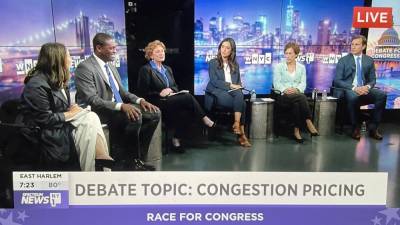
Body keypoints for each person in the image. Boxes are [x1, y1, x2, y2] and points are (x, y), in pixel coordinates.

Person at [20, 43, 113, 171]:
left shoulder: (58, 79)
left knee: (90, 116)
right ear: (58, 58)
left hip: (59, 125)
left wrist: (71, 110)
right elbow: (44, 119)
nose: (71, 59)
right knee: (88, 121)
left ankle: (98, 162)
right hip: (45, 132)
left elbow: (60, 108)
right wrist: (69, 114)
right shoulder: (36, 85)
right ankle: (96, 164)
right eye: (68, 55)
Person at [75, 33, 160, 171]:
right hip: (99, 111)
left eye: (116, 48)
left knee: (154, 114)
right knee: (133, 117)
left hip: (116, 108)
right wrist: (121, 106)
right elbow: (92, 99)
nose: (115, 51)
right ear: (99, 48)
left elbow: (122, 92)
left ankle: (138, 158)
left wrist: (140, 100)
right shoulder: (85, 67)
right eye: (112, 48)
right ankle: (129, 163)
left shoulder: (110, 66)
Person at [137, 40, 215, 153]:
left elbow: (175, 87)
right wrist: (159, 93)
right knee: (187, 97)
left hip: (171, 100)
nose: (161, 53)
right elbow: (142, 93)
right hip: (157, 102)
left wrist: (171, 90)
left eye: (162, 51)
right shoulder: (146, 70)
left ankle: (176, 140)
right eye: (157, 51)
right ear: (150, 55)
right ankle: (206, 120)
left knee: (186, 111)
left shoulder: (167, 69)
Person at [333, 35, 387, 140]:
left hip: (364, 89)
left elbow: (373, 80)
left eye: (356, 44)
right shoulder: (343, 60)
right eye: (352, 44)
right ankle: (355, 128)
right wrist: (354, 88)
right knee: (353, 97)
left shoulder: (369, 60)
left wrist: (366, 87)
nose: (353, 47)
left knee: (382, 95)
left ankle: (373, 128)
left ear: (363, 47)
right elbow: (337, 80)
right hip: (350, 89)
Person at [205, 38, 251, 147]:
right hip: (216, 92)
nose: (224, 50)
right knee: (243, 104)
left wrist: (239, 85)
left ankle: (237, 124)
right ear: (219, 48)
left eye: (227, 48)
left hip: (231, 93)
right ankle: (241, 135)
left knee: (240, 96)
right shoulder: (213, 62)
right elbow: (214, 81)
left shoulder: (235, 64)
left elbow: (238, 81)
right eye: (222, 47)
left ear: (232, 51)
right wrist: (231, 85)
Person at [273, 42, 319, 143]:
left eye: (290, 53)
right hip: (283, 97)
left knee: (297, 103)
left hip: (296, 96)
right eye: (286, 53)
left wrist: (296, 89)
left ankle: (296, 131)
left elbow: (303, 84)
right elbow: (276, 83)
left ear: (296, 55)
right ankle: (308, 121)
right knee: (301, 98)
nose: (287, 56)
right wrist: (285, 89)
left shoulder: (301, 68)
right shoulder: (279, 67)